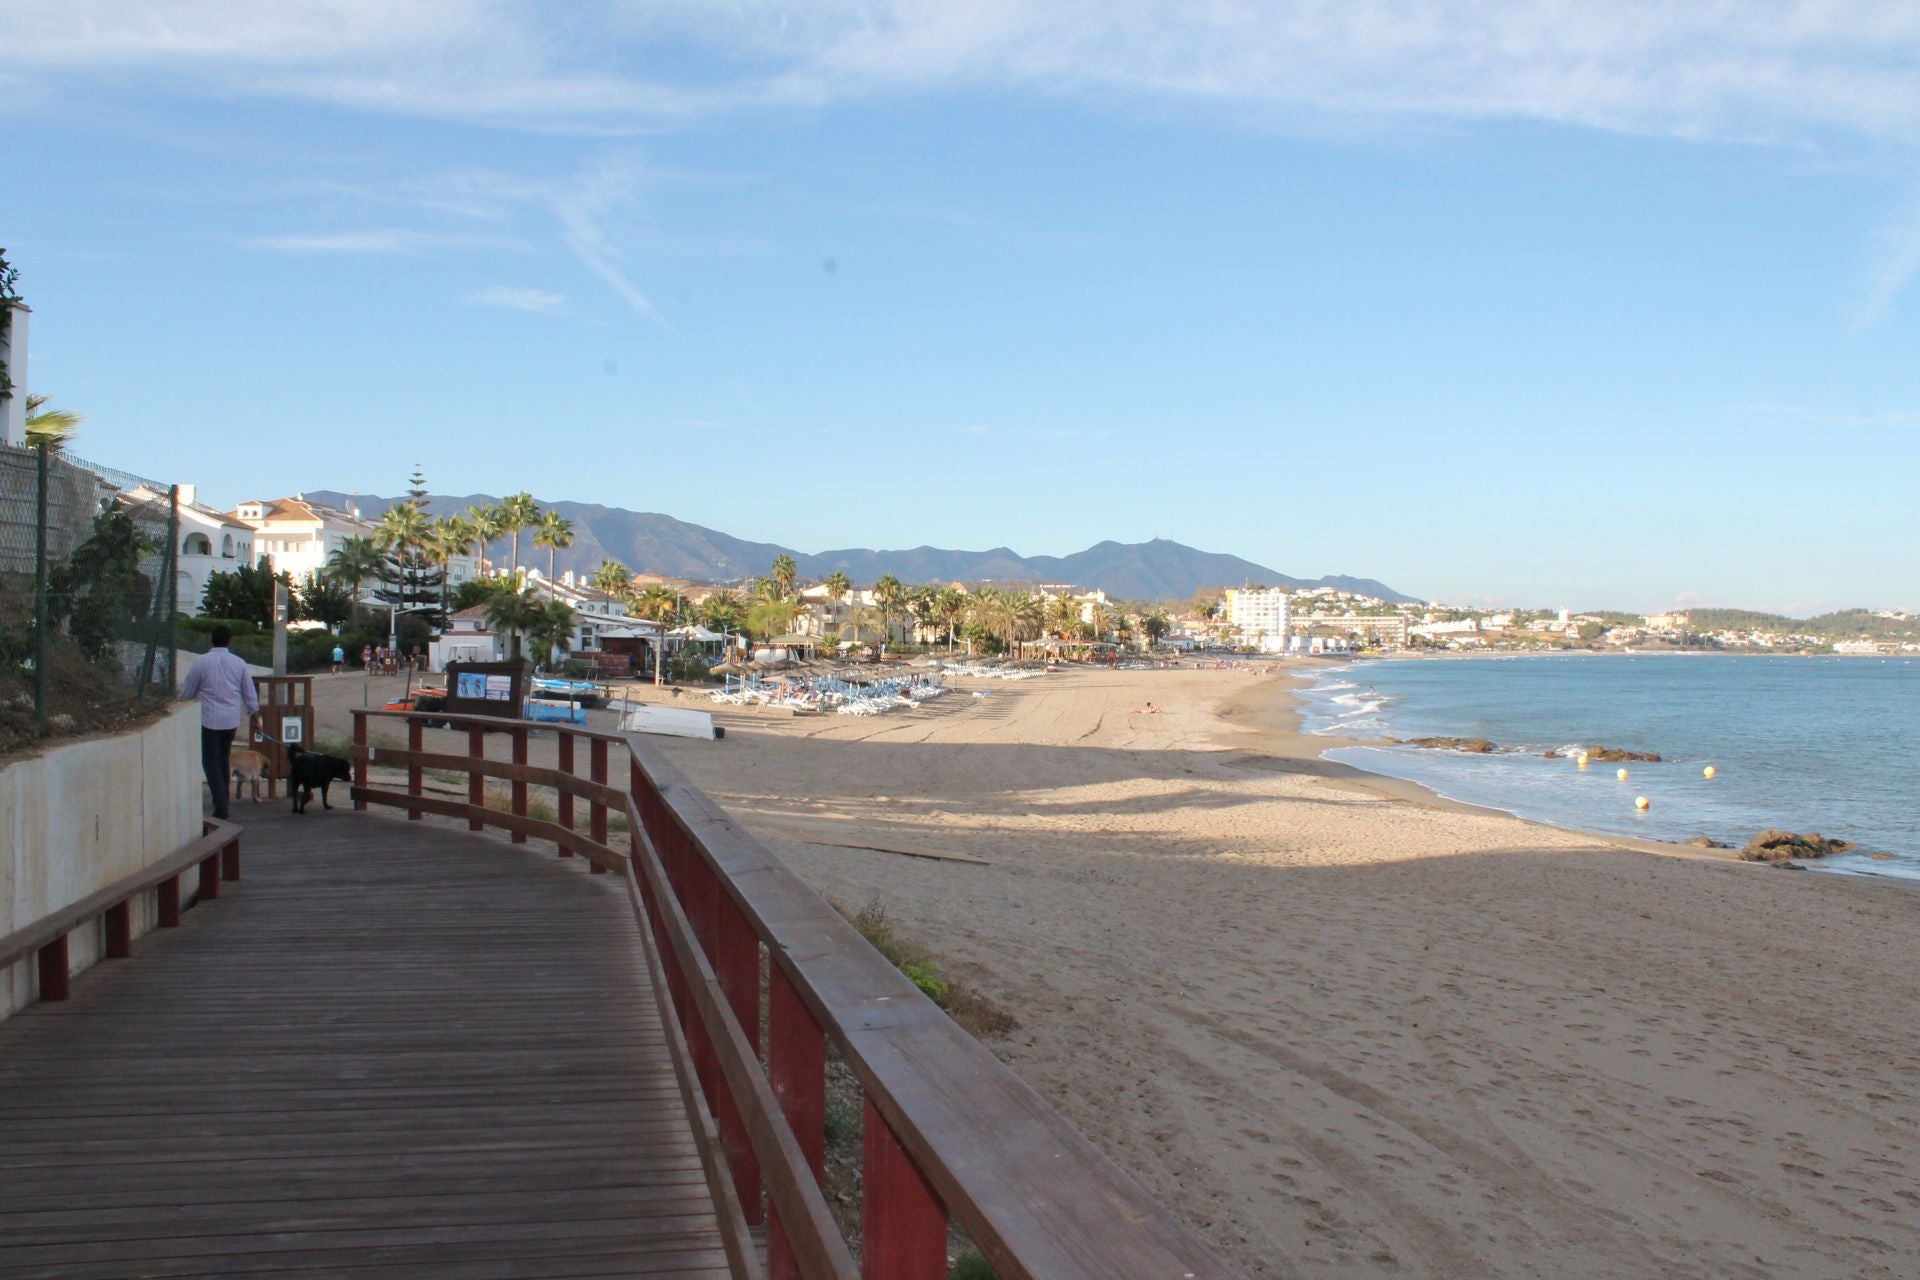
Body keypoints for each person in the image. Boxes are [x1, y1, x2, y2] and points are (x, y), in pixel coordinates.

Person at [181, 625, 259, 821]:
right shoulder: (239, 663)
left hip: (209, 719)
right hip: (231, 720)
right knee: (224, 759)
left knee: (210, 762)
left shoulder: (201, 662)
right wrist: (254, 716)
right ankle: (224, 799)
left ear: (211, 641)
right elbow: (250, 694)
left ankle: (221, 802)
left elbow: (188, 691)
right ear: (229, 641)